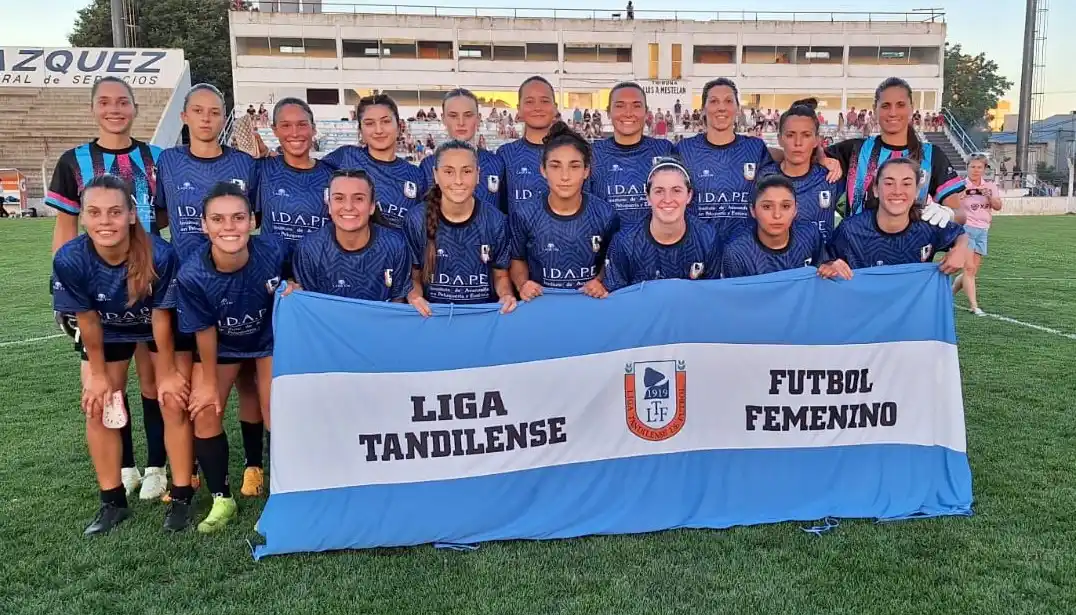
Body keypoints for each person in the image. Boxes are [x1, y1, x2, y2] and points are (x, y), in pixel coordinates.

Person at [45, 76, 168, 501]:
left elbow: (162, 220)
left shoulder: (156, 158)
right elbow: (64, 229)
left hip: (147, 283)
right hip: (97, 290)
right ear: (93, 108)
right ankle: (125, 465)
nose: (114, 109)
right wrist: (63, 287)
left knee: (153, 381)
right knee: (107, 385)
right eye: (104, 102)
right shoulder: (73, 160)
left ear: (135, 108)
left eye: (122, 102)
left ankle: (157, 466)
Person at [51, 175, 193, 534]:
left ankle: (180, 497)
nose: (105, 221)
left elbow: (161, 319)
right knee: (98, 405)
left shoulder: (160, 254)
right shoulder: (70, 258)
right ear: (82, 217)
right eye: (95, 213)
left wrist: (168, 374)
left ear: (132, 214)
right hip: (108, 329)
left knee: (172, 400)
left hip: (156, 329)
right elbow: (89, 322)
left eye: (115, 212)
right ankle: (112, 501)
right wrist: (97, 375)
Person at [155, 83, 266, 498]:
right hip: (188, 289)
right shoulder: (169, 162)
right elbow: (159, 215)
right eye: (198, 111)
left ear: (223, 119)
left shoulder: (244, 163)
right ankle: (194, 467)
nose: (206, 118)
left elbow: (255, 217)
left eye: (215, 112)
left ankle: (253, 466)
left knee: (250, 383)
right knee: (190, 385)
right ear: (184, 117)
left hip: (240, 284)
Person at [177, 183, 288, 533]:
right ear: (204, 225)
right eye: (218, 219)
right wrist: (208, 382)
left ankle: (286, 491)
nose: (229, 227)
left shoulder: (274, 250)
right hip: (221, 346)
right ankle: (221, 498)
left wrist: (294, 284)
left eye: (238, 218)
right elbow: (205, 330)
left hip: (268, 340)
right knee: (206, 409)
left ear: (252, 220)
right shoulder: (193, 274)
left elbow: (296, 285)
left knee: (277, 409)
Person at [821, 78, 964, 225]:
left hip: (909, 246)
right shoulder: (854, 150)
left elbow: (960, 214)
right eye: (885, 106)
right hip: (856, 244)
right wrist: (823, 159)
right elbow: (807, 154)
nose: (893, 112)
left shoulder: (931, 155)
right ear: (875, 109)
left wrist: (948, 213)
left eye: (900, 105)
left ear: (911, 108)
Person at [403, 140, 516, 315]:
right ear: (435, 175)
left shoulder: (496, 221)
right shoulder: (416, 220)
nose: (458, 180)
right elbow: (414, 277)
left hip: (480, 319)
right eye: (448, 172)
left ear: (478, 175)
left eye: (467, 171)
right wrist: (415, 297)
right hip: (434, 319)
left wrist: (506, 295)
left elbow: (500, 275)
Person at [509, 122, 619, 300]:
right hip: (543, 310)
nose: (565, 176)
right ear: (543, 170)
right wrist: (523, 284)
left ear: (586, 171)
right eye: (555, 166)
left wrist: (600, 281)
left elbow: (613, 259)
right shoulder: (525, 213)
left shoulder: (604, 214)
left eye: (574, 166)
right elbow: (517, 258)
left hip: (590, 308)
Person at [673, 78, 777, 244]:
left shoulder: (756, 148)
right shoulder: (685, 149)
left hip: (745, 249)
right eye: (714, 101)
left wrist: (818, 156)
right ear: (703, 109)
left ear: (737, 109)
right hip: (698, 249)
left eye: (728, 101)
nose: (721, 107)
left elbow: (773, 188)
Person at [826, 158, 969, 273]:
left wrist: (961, 249)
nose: (897, 191)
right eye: (889, 183)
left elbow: (960, 234)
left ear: (917, 191)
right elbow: (827, 261)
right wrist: (831, 266)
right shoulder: (850, 229)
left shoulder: (927, 224)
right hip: (865, 307)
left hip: (910, 308)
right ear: (875, 190)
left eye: (906, 184)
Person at [292, 169, 414, 303]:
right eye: (339, 198)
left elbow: (397, 305)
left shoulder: (395, 245)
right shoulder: (309, 249)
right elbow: (308, 307)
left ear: (372, 206)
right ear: (330, 206)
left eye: (359, 199)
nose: (348, 207)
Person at [603, 158, 723, 291]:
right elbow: (617, 300)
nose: (667, 199)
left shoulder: (707, 238)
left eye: (676, 190)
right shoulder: (625, 242)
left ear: (689, 196)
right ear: (648, 197)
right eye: (659, 191)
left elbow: (712, 295)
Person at [322, 94, 425, 229]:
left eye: (386, 121)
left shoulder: (415, 175)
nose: (378, 130)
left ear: (400, 126)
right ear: (360, 130)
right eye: (369, 123)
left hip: (395, 250)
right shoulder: (345, 157)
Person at [588, 82, 674, 225]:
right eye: (620, 106)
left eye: (636, 105)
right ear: (609, 112)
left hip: (654, 245)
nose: (628, 113)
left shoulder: (664, 149)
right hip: (608, 245)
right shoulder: (593, 153)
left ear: (647, 113)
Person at [760, 98, 845, 243]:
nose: (798, 143)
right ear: (780, 139)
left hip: (820, 264)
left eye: (806, 135)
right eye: (790, 135)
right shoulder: (762, 177)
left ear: (816, 140)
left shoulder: (831, 177)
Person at [257, 98, 334, 252]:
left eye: (302, 125)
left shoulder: (332, 176)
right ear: (274, 130)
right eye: (285, 125)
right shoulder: (262, 170)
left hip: (317, 272)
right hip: (272, 272)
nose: (295, 133)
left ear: (313, 128)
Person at [720, 174, 831, 278]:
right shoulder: (737, 250)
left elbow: (824, 271)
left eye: (786, 206)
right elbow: (733, 296)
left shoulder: (809, 235)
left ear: (795, 209)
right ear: (753, 210)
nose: (777, 215)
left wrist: (831, 267)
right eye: (767, 207)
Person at [419, 89, 506, 211]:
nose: (461, 122)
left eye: (468, 115)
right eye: (453, 116)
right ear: (443, 119)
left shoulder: (496, 163)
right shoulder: (428, 165)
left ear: (478, 118)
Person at [952, 154, 1002, 315]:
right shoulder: (960, 185)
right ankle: (974, 306)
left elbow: (998, 206)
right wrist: (963, 195)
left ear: (984, 169)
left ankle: (947, 295)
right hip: (965, 229)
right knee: (969, 267)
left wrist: (988, 195)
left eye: (979, 167)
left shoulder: (990, 186)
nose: (975, 170)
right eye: (972, 166)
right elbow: (951, 204)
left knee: (971, 271)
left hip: (983, 230)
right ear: (967, 167)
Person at [498, 76, 558, 212]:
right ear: (519, 109)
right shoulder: (506, 154)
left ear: (555, 108)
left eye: (544, 101)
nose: (537, 107)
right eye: (530, 102)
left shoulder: (571, 152)